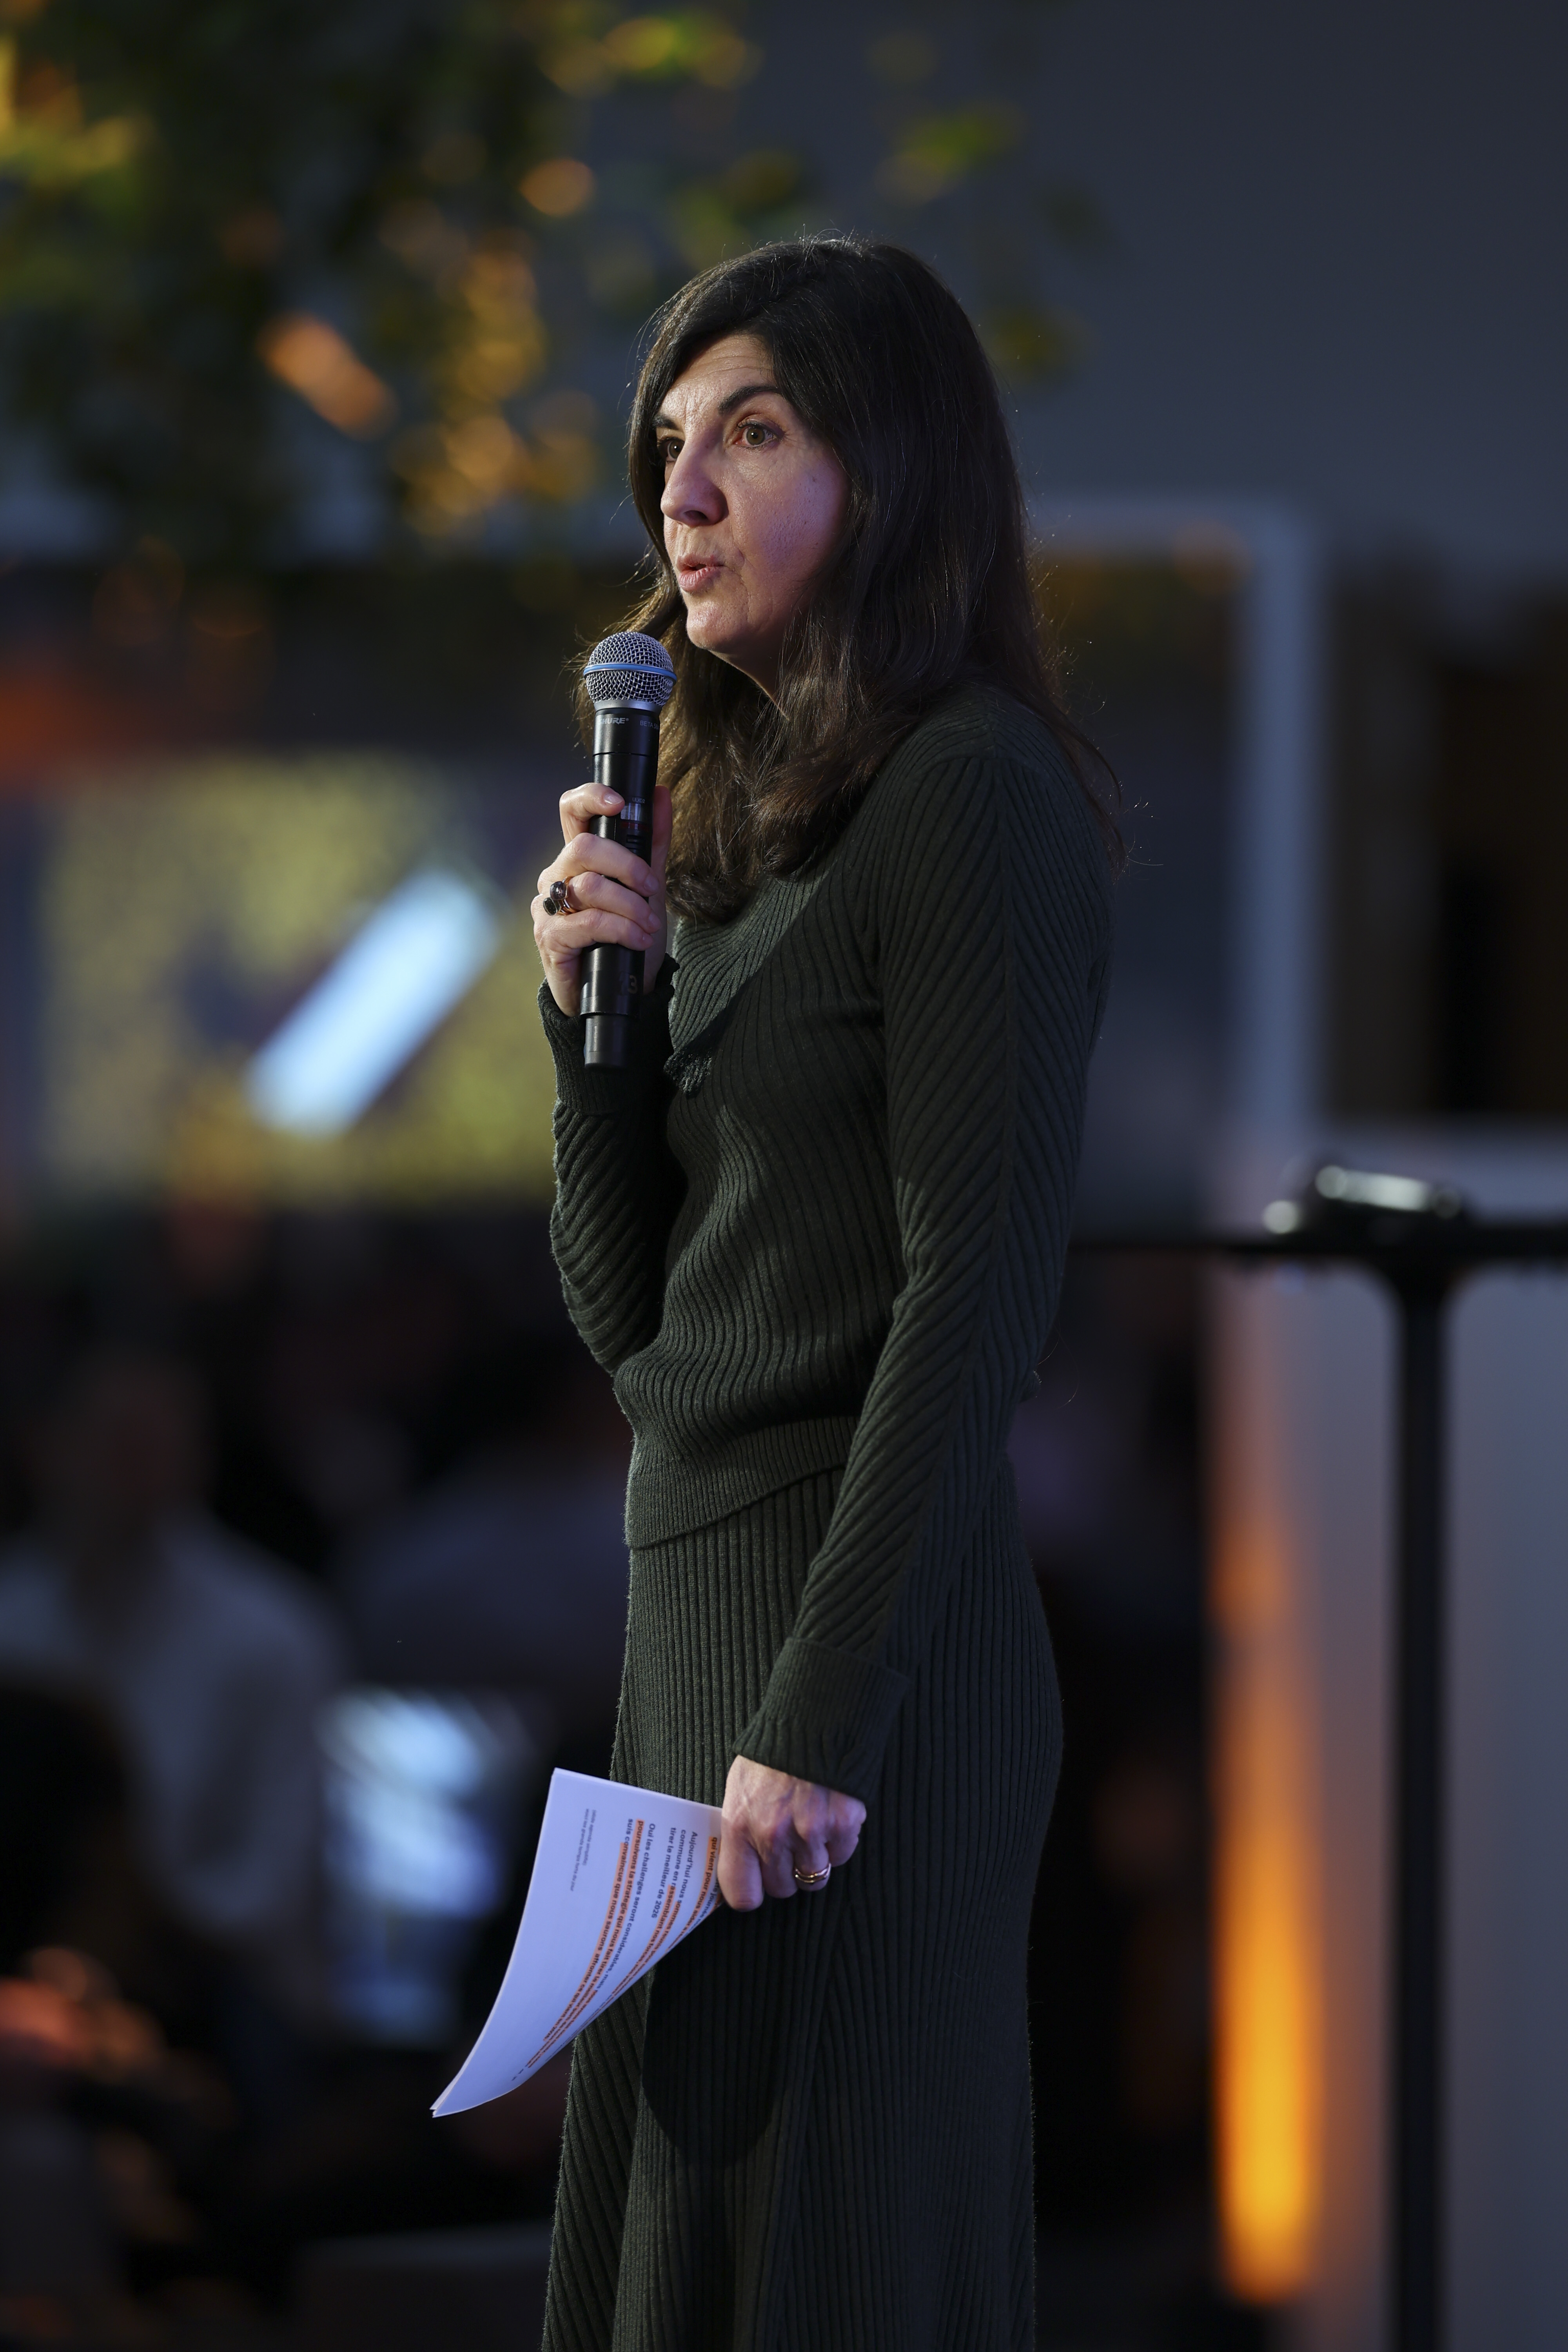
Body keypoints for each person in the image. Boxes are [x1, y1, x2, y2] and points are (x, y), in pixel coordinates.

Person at [530, 236, 1117, 2352]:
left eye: (755, 434)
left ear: (897, 472)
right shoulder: (750, 841)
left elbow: (976, 1292)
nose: (681, 495)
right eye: (668, 448)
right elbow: (636, 1331)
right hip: (699, 1634)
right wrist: (591, 1025)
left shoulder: (970, 792)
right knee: (682, 2264)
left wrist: (818, 1716)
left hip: (851, 1672)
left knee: (820, 2263)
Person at [0, 1345, 343, 2033]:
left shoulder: (273, 1632)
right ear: (46, 1447)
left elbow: (273, 1883)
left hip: (214, 1994)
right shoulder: (12, 1611)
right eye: (117, 1438)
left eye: (162, 1440)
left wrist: (132, 1941)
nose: (139, 1465)